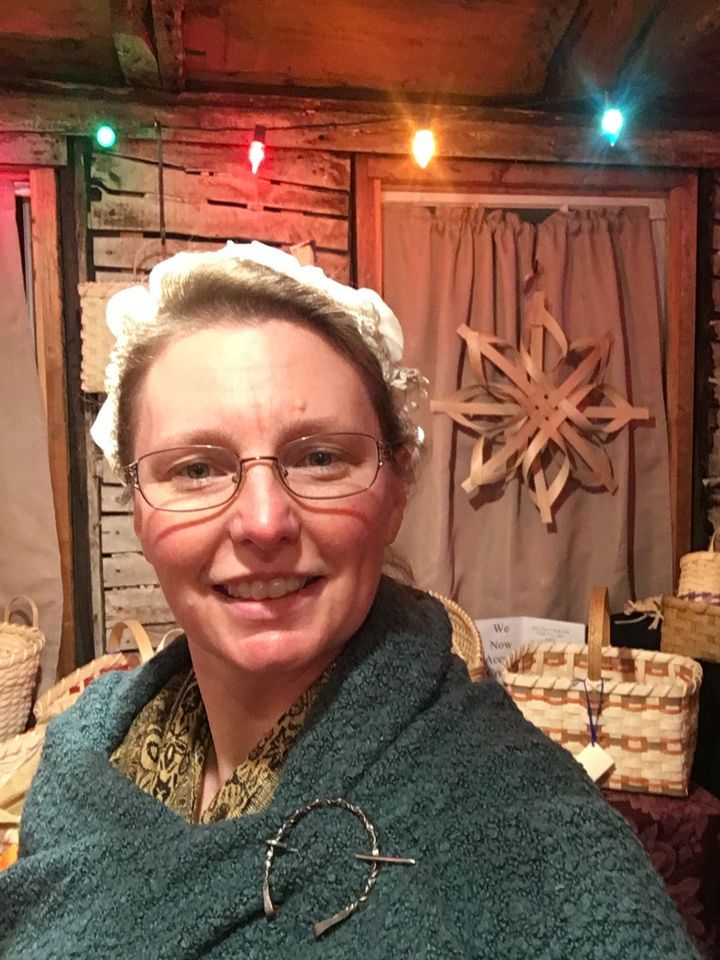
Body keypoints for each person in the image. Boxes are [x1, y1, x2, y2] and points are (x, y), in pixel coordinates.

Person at [0, 243, 699, 959]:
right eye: (197, 468)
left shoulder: (537, 833)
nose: (264, 522)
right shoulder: (81, 769)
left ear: (396, 489)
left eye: (320, 458)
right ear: (137, 506)